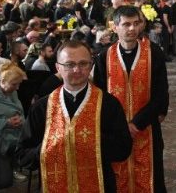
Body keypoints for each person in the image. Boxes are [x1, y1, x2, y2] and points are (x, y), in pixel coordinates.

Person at [18, 41, 132, 192]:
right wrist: (48, 147)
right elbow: (22, 156)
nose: (77, 70)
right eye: (69, 64)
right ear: (58, 67)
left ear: (91, 66)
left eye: (83, 63)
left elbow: (123, 149)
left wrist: (91, 140)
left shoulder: (108, 104)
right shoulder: (41, 107)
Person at [93, 6, 169, 192]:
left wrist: (137, 124)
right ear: (115, 27)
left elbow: (161, 94)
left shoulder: (154, 53)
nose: (132, 29)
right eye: (126, 24)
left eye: (136, 23)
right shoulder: (104, 57)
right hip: (115, 130)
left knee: (150, 176)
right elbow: (99, 96)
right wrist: (118, 125)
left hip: (146, 128)